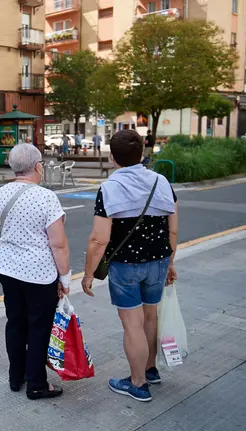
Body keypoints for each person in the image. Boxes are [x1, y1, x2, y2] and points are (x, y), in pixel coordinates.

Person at [81, 129, 178, 403]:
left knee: (132, 325)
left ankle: (137, 384)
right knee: (150, 317)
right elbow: (172, 229)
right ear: (142, 154)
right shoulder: (161, 182)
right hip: (158, 261)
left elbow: (99, 239)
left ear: (112, 157)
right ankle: (150, 369)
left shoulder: (109, 188)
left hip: (126, 266)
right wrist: (170, 262)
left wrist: (88, 274)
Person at [0, 143, 71, 401]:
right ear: (38, 167)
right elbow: (58, 244)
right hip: (40, 274)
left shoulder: (0, 194)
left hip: (7, 269)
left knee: (15, 323)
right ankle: (37, 384)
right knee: (39, 327)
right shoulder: (46, 197)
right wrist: (65, 278)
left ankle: (16, 377)